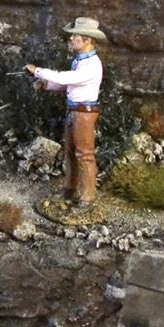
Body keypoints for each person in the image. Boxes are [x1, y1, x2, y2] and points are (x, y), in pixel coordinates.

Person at [26, 17, 106, 204]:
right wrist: (46, 85)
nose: (70, 39)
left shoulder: (92, 65)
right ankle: (70, 189)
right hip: (75, 112)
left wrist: (37, 71)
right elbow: (70, 84)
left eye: (75, 36)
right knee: (70, 152)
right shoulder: (80, 61)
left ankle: (87, 197)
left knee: (84, 154)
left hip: (84, 114)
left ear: (87, 39)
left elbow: (64, 78)